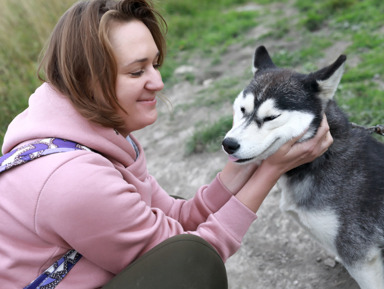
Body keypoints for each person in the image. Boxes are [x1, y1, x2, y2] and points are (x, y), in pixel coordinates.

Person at [0, 0, 333, 288]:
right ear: (87, 77)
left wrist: (249, 159)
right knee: (190, 260)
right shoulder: (73, 180)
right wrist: (270, 171)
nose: (158, 82)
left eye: (155, 63)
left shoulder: (85, 130)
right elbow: (194, 257)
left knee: (164, 213)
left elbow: (179, 217)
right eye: (136, 72)